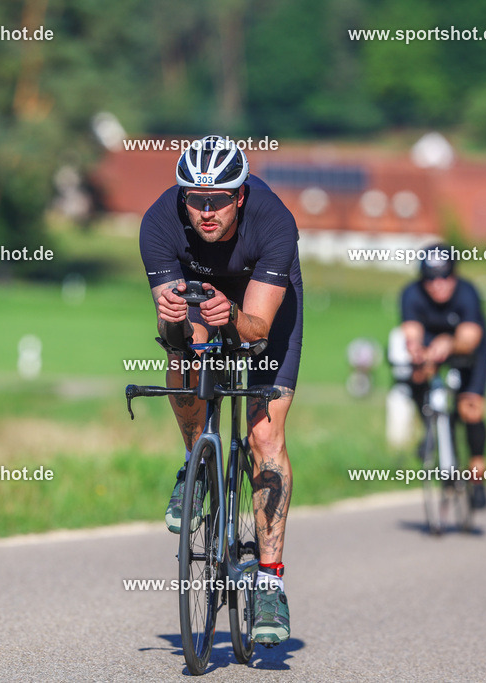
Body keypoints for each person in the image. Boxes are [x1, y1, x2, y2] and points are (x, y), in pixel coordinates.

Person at [138, 135, 303, 645]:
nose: (206, 212)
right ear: (183, 196)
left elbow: (256, 330)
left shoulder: (274, 221)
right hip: (200, 295)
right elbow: (173, 333)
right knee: (183, 357)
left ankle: (270, 583)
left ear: (240, 196)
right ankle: (195, 462)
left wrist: (231, 315)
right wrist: (173, 322)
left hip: (260, 308)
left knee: (264, 437)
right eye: (196, 199)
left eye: (218, 200)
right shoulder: (159, 222)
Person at [400, 244, 486, 509]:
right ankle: (429, 427)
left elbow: (470, 339)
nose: (437, 285)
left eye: (444, 278)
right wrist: (417, 351)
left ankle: (477, 474)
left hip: (468, 349)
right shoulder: (411, 294)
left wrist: (449, 344)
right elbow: (411, 332)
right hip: (432, 347)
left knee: (470, 408)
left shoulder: (467, 293)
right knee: (418, 373)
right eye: (430, 279)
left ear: (454, 276)